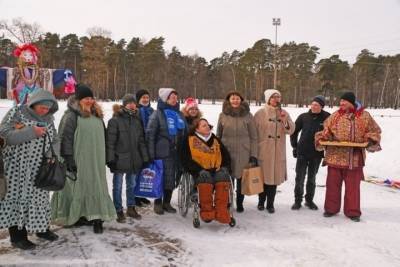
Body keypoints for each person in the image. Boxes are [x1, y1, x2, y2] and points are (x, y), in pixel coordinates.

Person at [51, 84, 116, 233]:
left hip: (96, 159)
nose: (89, 101)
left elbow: (104, 138)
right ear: (79, 99)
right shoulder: (71, 116)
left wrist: (108, 156)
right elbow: (65, 139)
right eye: (86, 98)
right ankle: (79, 215)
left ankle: (97, 218)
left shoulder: (97, 115)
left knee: (97, 185)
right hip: (79, 159)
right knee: (79, 187)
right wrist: (68, 159)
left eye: (91, 98)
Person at [0, 89, 59, 250]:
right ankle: (18, 237)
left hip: (40, 169)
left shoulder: (48, 119)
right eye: (42, 107)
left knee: (39, 200)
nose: (45, 110)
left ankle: (42, 229)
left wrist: (52, 154)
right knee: (18, 199)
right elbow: (4, 134)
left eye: (48, 108)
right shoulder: (17, 112)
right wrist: (31, 132)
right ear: (34, 103)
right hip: (16, 169)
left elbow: (55, 139)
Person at [315, 92, 382, 222]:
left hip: (354, 158)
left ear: (352, 102)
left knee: (353, 188)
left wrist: (369, 139)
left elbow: (375, 131)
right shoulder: (335, 116)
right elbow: (326, 131)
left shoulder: (364, 116)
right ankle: (331, 209)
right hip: (335, 156)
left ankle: (353, 212)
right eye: (340, 101)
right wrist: (323, 138)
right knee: (332, 185)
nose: (341, 104)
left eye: (344, 101)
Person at [106, 94, 149, 223]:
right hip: (119, 159)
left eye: (133, 103)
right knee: (118, 186)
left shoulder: (137, 120)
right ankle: (118, 209)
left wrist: (144, 157)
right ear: (124, 104)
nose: (132, 105)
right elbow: (110, 142)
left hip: (134, 159)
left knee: (132, 185)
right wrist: (110, 159)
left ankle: (131, 208)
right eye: (129, 103)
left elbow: (141, 141)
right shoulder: (115, 120)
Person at [181, 118, 232, 224]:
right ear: (197, 129)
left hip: (216, 169)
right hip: (199, 171)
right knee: (205, 178)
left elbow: (225, 155)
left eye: (207, 125)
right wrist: (198, 170)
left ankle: (221, 211)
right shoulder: (189, 140)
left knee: (223, 177)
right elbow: (185, 158)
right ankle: (207, 212)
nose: (207, 126)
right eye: (204, 125)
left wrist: (224, 167)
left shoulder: (215, 139)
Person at [254, 89, 295, 213]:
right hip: (264, 150)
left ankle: (270, 204)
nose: (276, 99)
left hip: (278, 151)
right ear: (268, 99)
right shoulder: (260, 113)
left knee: (274, 178)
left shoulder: (284, 113)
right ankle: (261, 201)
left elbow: (291, 130)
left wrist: (284, 120)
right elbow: (254, 133)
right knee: (263, 178)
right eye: (273, 97)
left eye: (278, 97)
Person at [146, 88, 186, 215]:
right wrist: (151, 154)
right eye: (171, 97)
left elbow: (184, 132)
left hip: (176, 152)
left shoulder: (179, 114)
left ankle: (167, 202)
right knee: (160, 177)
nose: (174, 99)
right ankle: (158, 203)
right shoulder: (157, 114)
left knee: (172, 177)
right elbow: (150, 135)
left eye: (176, 97)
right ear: (165, 99)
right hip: (161, 152)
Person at [216, 91, 257, 213]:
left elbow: (254, 137)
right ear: (228, 100)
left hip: (243, 152)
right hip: (227, 151)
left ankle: (239, 202)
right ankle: (228, 201)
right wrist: (217, 151)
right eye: (232, 98)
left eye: (237, 98)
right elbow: (218, 134)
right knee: (227, 179)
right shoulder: (222, 115)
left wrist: (253, 155)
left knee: (241, 180)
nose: (235, 100)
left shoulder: (248, 116)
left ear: (241, 100)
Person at [290, 95, 331, 210]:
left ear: (321, 106)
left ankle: (309, 200)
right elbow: (294, 131)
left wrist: (327, 148)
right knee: (300, 177)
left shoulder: (327, 117)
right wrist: (294, 146)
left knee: (312, 178)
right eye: (312, 104)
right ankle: (297, 200)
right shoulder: (303, 117)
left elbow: (332, 133)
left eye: (316, 105)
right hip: (302, 151)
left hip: (316, 153)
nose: (313, 106)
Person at [135, 89, 154, 207]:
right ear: (138, 99)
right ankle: (135, 195)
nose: (146, 99)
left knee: (145, 170)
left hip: (149, 144)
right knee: (137, 170)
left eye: (147, 97)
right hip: (138, 144)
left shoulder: (152, 111)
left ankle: (142, 194)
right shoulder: (137, 111)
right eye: (143, 98)